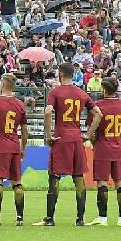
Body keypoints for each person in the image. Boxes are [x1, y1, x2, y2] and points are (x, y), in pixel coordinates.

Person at [38, 63, 93, 227]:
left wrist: (48, 135)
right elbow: (97, 113)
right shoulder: (81, 92)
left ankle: (49, 218)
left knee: (54, 177)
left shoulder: (56, 92)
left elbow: (48, 112)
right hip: (76, 139)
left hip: (61, 138)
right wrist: (88, 134)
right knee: (78, 178)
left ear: (61, 74)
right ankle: (80, 219)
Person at [0, 73, 28, 226]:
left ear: (2, 83)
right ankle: (20, 218)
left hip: (1, 145)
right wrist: (23, 147)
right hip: (15, 144)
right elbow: (25, 130)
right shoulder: (20, 104)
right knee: (16, 182)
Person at [87, 78, 121, 226]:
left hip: (102, 148)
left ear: (103, 90)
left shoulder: (97, 106)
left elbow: (91, 132)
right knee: (120, 182)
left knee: (102, 182)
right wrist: (119, 134)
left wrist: (95, 142)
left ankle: (102, 218)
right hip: (118, 148)